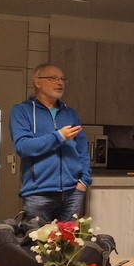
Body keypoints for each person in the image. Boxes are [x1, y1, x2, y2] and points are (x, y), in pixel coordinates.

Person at [10, 63, 91, 222]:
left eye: (62, 79)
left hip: (72, 193)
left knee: (68, 238)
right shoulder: (22, 111)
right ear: (37, 82)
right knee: (35, 238)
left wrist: (84, 181)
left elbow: (83, 151)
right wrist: (59, 136)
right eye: (53, 78)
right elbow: (23, 147)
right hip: (38, 195)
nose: (60, 82)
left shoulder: (70, 114)